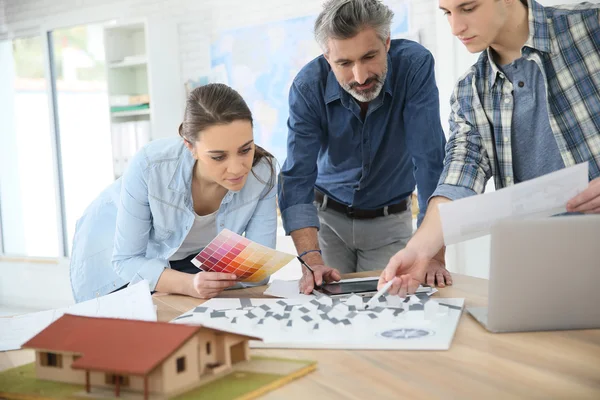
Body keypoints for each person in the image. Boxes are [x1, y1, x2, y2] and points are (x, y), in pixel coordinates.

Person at [379, 0, 600, 296]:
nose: (455, 27)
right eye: (447, 13)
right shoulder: (470, 91)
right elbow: (460, 176)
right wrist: (418, 251)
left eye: (468, 8)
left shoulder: (591, 25)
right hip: (549, 275)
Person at [278, 0, 450, 294]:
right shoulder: (307, 86)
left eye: (369, 56)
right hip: (327, 222)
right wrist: (311, 260)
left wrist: (432, 254)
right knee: (330, 319)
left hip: (390, 223)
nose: (360, 77)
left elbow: (430, 160)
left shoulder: (414, 65)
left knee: (393, 315)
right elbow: (297, 178)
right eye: (344, 63)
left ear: (387, 42)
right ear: (327, 57)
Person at [70, 84, 277, 302]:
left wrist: (193, 283)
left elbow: (257, 272)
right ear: (190, 146)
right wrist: (187, 284)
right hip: (116, 255)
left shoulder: (263, 173)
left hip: (189, 261)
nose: (237, 168)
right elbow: (126, 260)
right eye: (218, 157)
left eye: (245, 150)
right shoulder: (150, 165)